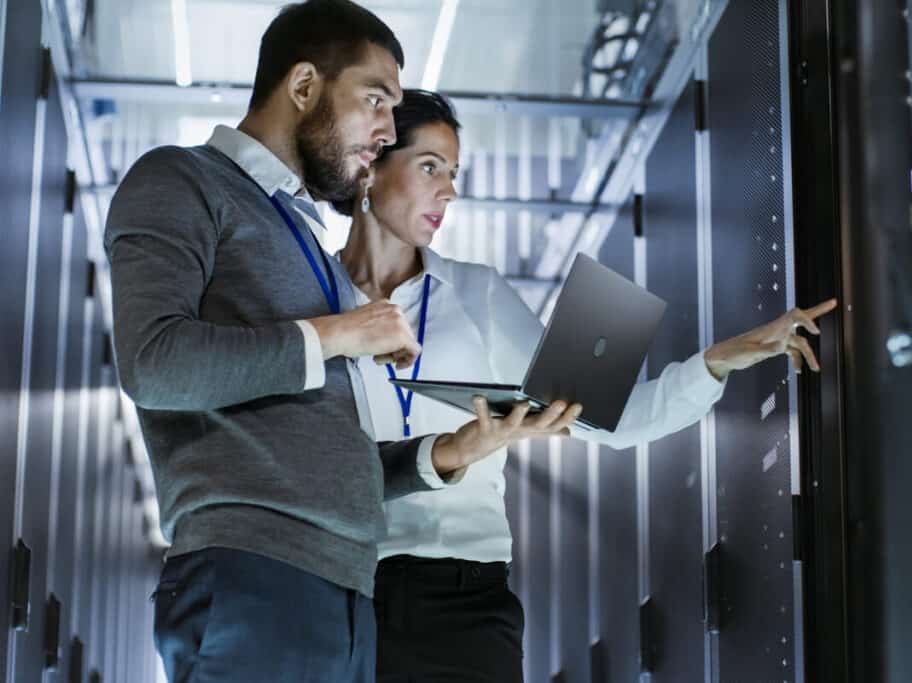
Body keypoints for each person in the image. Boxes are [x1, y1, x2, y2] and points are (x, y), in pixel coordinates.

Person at [103, 4, 577, 682]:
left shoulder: (306, 247)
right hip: (252, 575)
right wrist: (339, 332)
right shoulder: (182, 180)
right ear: (303, 87)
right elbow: (155, 362)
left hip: (346, 595)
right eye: (376, 98)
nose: (386, 129)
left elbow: (329, 454)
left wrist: (449, 453)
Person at [333, 89, 838, 682]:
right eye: (429, 167)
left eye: (454, 173)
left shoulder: (479, 294)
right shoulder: (313, 301)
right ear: (371, 166)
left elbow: (611, 421)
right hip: (343, 592)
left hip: (464, 601)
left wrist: (718, 362)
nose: (450, 191)